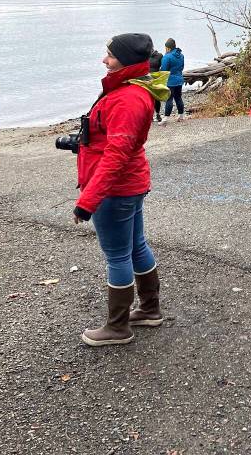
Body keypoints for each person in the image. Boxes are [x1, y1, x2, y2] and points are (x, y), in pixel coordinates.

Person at [73, 34, 170, 346]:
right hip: (128, 184)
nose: (105, 60)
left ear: (126, 60)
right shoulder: (131, 89)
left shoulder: (127, 98)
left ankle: (117, 326)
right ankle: (150, 309)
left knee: (117, 255)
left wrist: (88, 201)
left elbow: (116, 155)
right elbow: (116, 144)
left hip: (115, 189)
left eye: (110, 55)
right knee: (136, 246)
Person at [160, 38, 186, 121]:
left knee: (169, 99)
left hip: (170, 81)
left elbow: (164, 70)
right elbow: (182, 67)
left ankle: (166, 118)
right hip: (179, 79)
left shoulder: (167, 57)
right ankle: (181, 116)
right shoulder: (181, 55)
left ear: (168, 48)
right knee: (178, 98)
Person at [148, 48, 165, 123]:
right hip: (155, 79)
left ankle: (153, 115)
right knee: (156, 97)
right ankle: (156, 115)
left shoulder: (145, 56)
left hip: (149, 79)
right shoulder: (160, 56)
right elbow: (163, 67)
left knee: (150, 98)